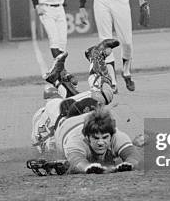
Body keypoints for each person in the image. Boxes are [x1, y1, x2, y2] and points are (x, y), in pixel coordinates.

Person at [28, 39, 141, 175]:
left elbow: (132, 155)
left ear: (110, 136)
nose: (101, 143)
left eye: (104, 138)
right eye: (96, 138)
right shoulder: (75, 139)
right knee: (104, 96)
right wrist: (88, 167)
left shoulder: (115, 136)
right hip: (49, 127)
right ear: (87, 137)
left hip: (62, 118)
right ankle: (94, 56)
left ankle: (57, 80)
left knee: (100, 97)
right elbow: (78, 162)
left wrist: (129, 163)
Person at [31, 0, 76, 89]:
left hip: (59, 8)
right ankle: (63, 71)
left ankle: (58, 70)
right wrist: (37, 6)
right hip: (46, 9)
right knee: (54, 39)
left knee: (63, 41)